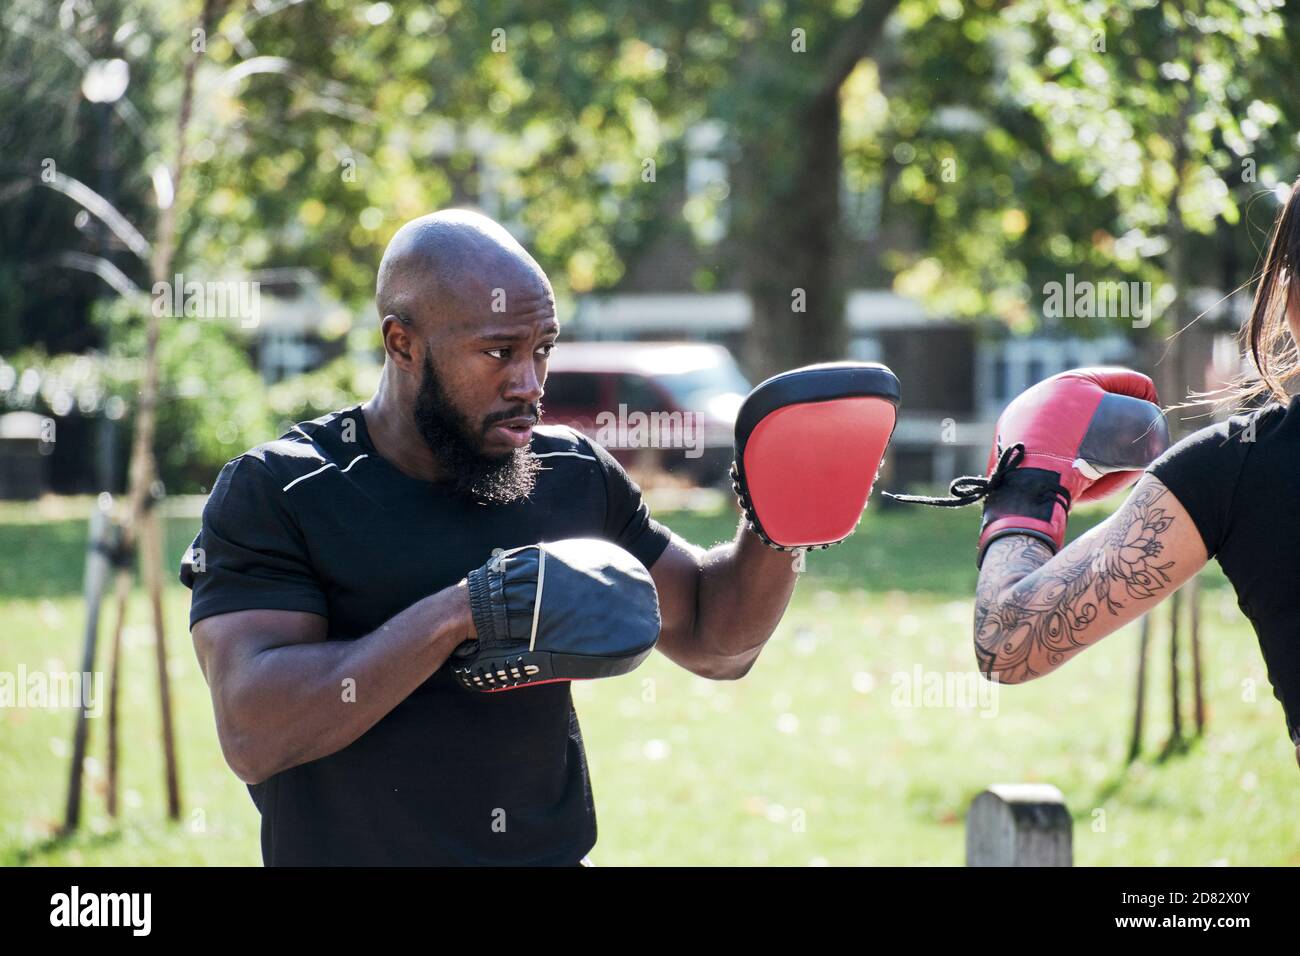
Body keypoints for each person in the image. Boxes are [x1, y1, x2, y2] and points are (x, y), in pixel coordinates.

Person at [180, 209, 804, 865]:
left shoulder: (570, 474)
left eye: (543, 349)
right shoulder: (281, 490)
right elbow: (252, 733)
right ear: (402, 344)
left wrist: (781, 523)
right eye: (499, 352)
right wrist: (464, 611)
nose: (529, 383)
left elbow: (715, 641)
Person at [970, 179, 1300, 770]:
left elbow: (1009, 639)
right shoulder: (1234, 467)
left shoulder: (1238, 467)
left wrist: (1028, 486)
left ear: (1285, 290)